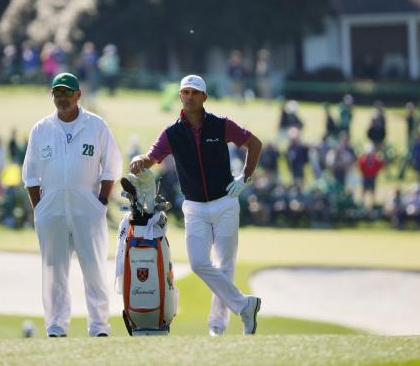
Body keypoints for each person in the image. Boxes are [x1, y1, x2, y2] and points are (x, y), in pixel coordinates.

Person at [130, 74, 263, 336]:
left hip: (225, 202)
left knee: (225, 265)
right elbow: (152, 156)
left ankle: (217, 325)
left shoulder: (221, 125)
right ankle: (245, 305)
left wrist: (245, 177)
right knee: (199, 263)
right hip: (194, 207)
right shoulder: (171, 132)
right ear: (180, 96)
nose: (189, 97)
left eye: (194, 92)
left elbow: (254, 143)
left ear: (204, 97)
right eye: (185, 92)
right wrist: (138, 159)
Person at [22, 72, 122, 337]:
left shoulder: (96, 126)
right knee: (54, 270)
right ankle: (56, 326)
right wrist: (39, 209)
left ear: (79, 95)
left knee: (94, 268)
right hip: (51, 207)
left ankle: (99, 326)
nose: (62, 98)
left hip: (86, 207)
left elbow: (111, 168)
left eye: (67, 93)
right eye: (57, 93)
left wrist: (100, 202)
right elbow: (30, 175)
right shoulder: (41, 129)